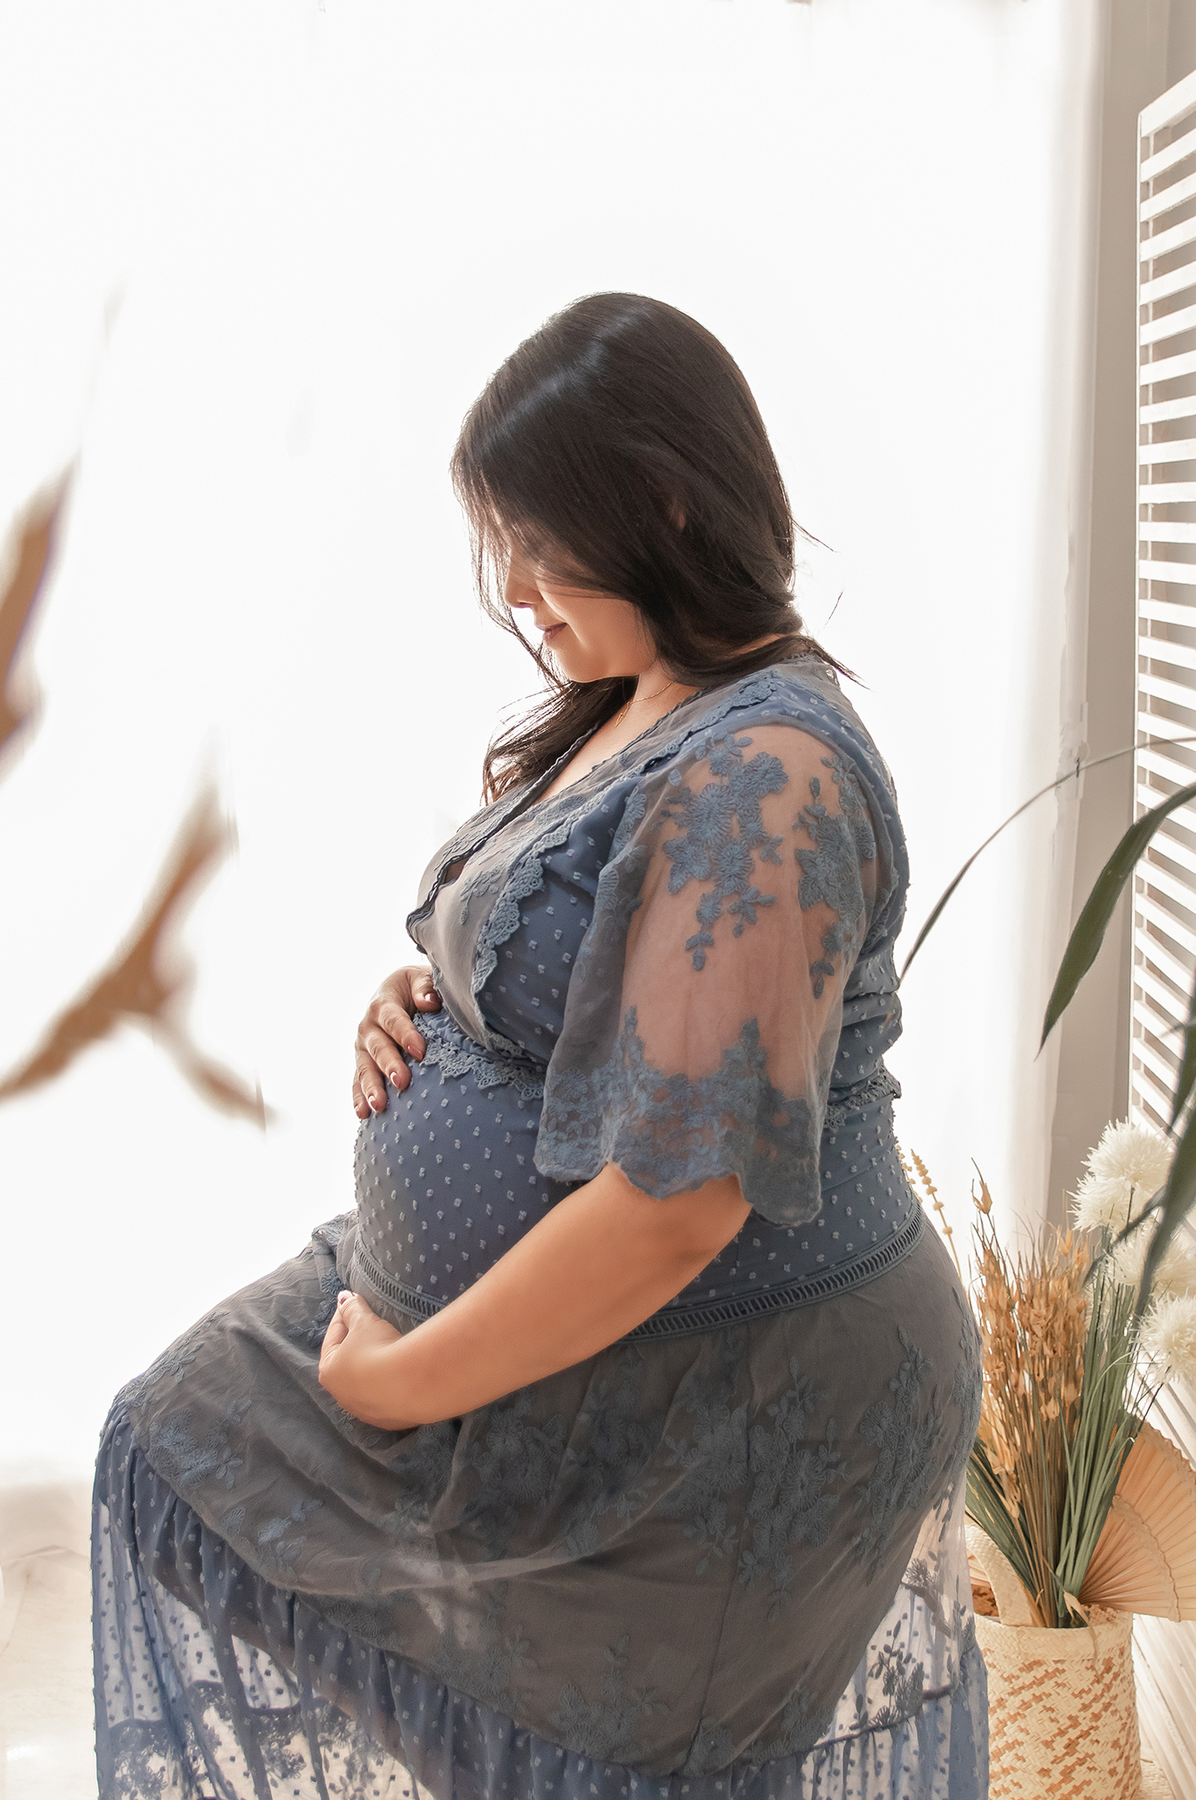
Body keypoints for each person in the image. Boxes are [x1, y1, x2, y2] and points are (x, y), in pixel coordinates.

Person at [92, 292, 987, 1800]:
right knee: (170, 1443)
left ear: (665, 503)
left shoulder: (768, 773)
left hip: (721, 1402)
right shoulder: (640, 699)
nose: (512, 587)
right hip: (577, 1350)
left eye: (538, 541)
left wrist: (406, 1385)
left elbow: (681, 1204)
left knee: (613, 1765)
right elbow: (601, 965)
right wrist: (431, 1001)